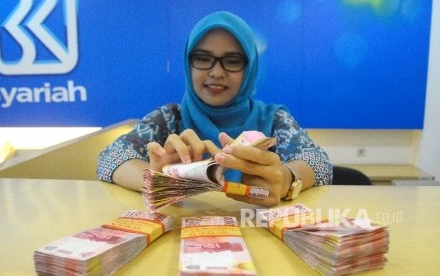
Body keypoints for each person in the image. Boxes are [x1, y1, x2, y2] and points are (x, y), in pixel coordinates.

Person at [97, 11, 333, 207]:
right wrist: (157, 180)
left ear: (249, 68)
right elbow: (110, 157)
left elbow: (318, 162)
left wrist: (285, 179)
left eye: (232, 61)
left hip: (258, 231)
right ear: (188, 64)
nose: (216, 72)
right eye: (203, 58)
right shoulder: (170, 118)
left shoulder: (273, 118)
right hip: (180, 234)